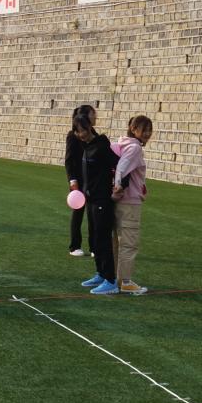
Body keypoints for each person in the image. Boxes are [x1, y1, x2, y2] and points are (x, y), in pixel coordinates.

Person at [73, 113, 120, 295]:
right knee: (94, 239)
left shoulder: (101, 146)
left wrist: (120, 186)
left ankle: (111, 280)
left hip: (102, 200)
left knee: (102, 239)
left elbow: (119, 164)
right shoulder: (86, 147)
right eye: (77, 132)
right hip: (90, 200)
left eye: (83, 130)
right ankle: (100, 273)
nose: (81, 134)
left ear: (89, 128)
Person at [113, 116, 153, 295]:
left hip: (120, 202)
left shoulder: (122, 144)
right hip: (129, 203)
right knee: (129, 244)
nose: (147, 133)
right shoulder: (135, 147)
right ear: (133, 128)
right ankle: (126, 282)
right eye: (144, 129)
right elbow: (121, 168)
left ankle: (114, 279)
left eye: (150, 130)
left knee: (117, 243)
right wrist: (117, 185)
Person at [65, 105, 97, 257]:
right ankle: (74, 246)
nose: (95, 116)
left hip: (92, 180)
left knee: (93, 214)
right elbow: (69, 160)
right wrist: (72, 180)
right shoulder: (73, 135)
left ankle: (94, 247)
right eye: (93, 114)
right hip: (78, 180)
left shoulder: (95, 135)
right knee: (78, 213)